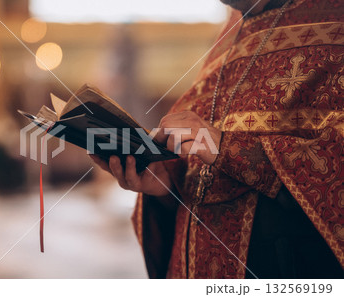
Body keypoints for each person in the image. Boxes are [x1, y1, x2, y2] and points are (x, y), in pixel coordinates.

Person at [91, 0, 343, 278]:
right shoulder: (231, 33)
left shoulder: (335, 18)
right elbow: (201, 167)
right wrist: (169, 182)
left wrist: (229, 149)